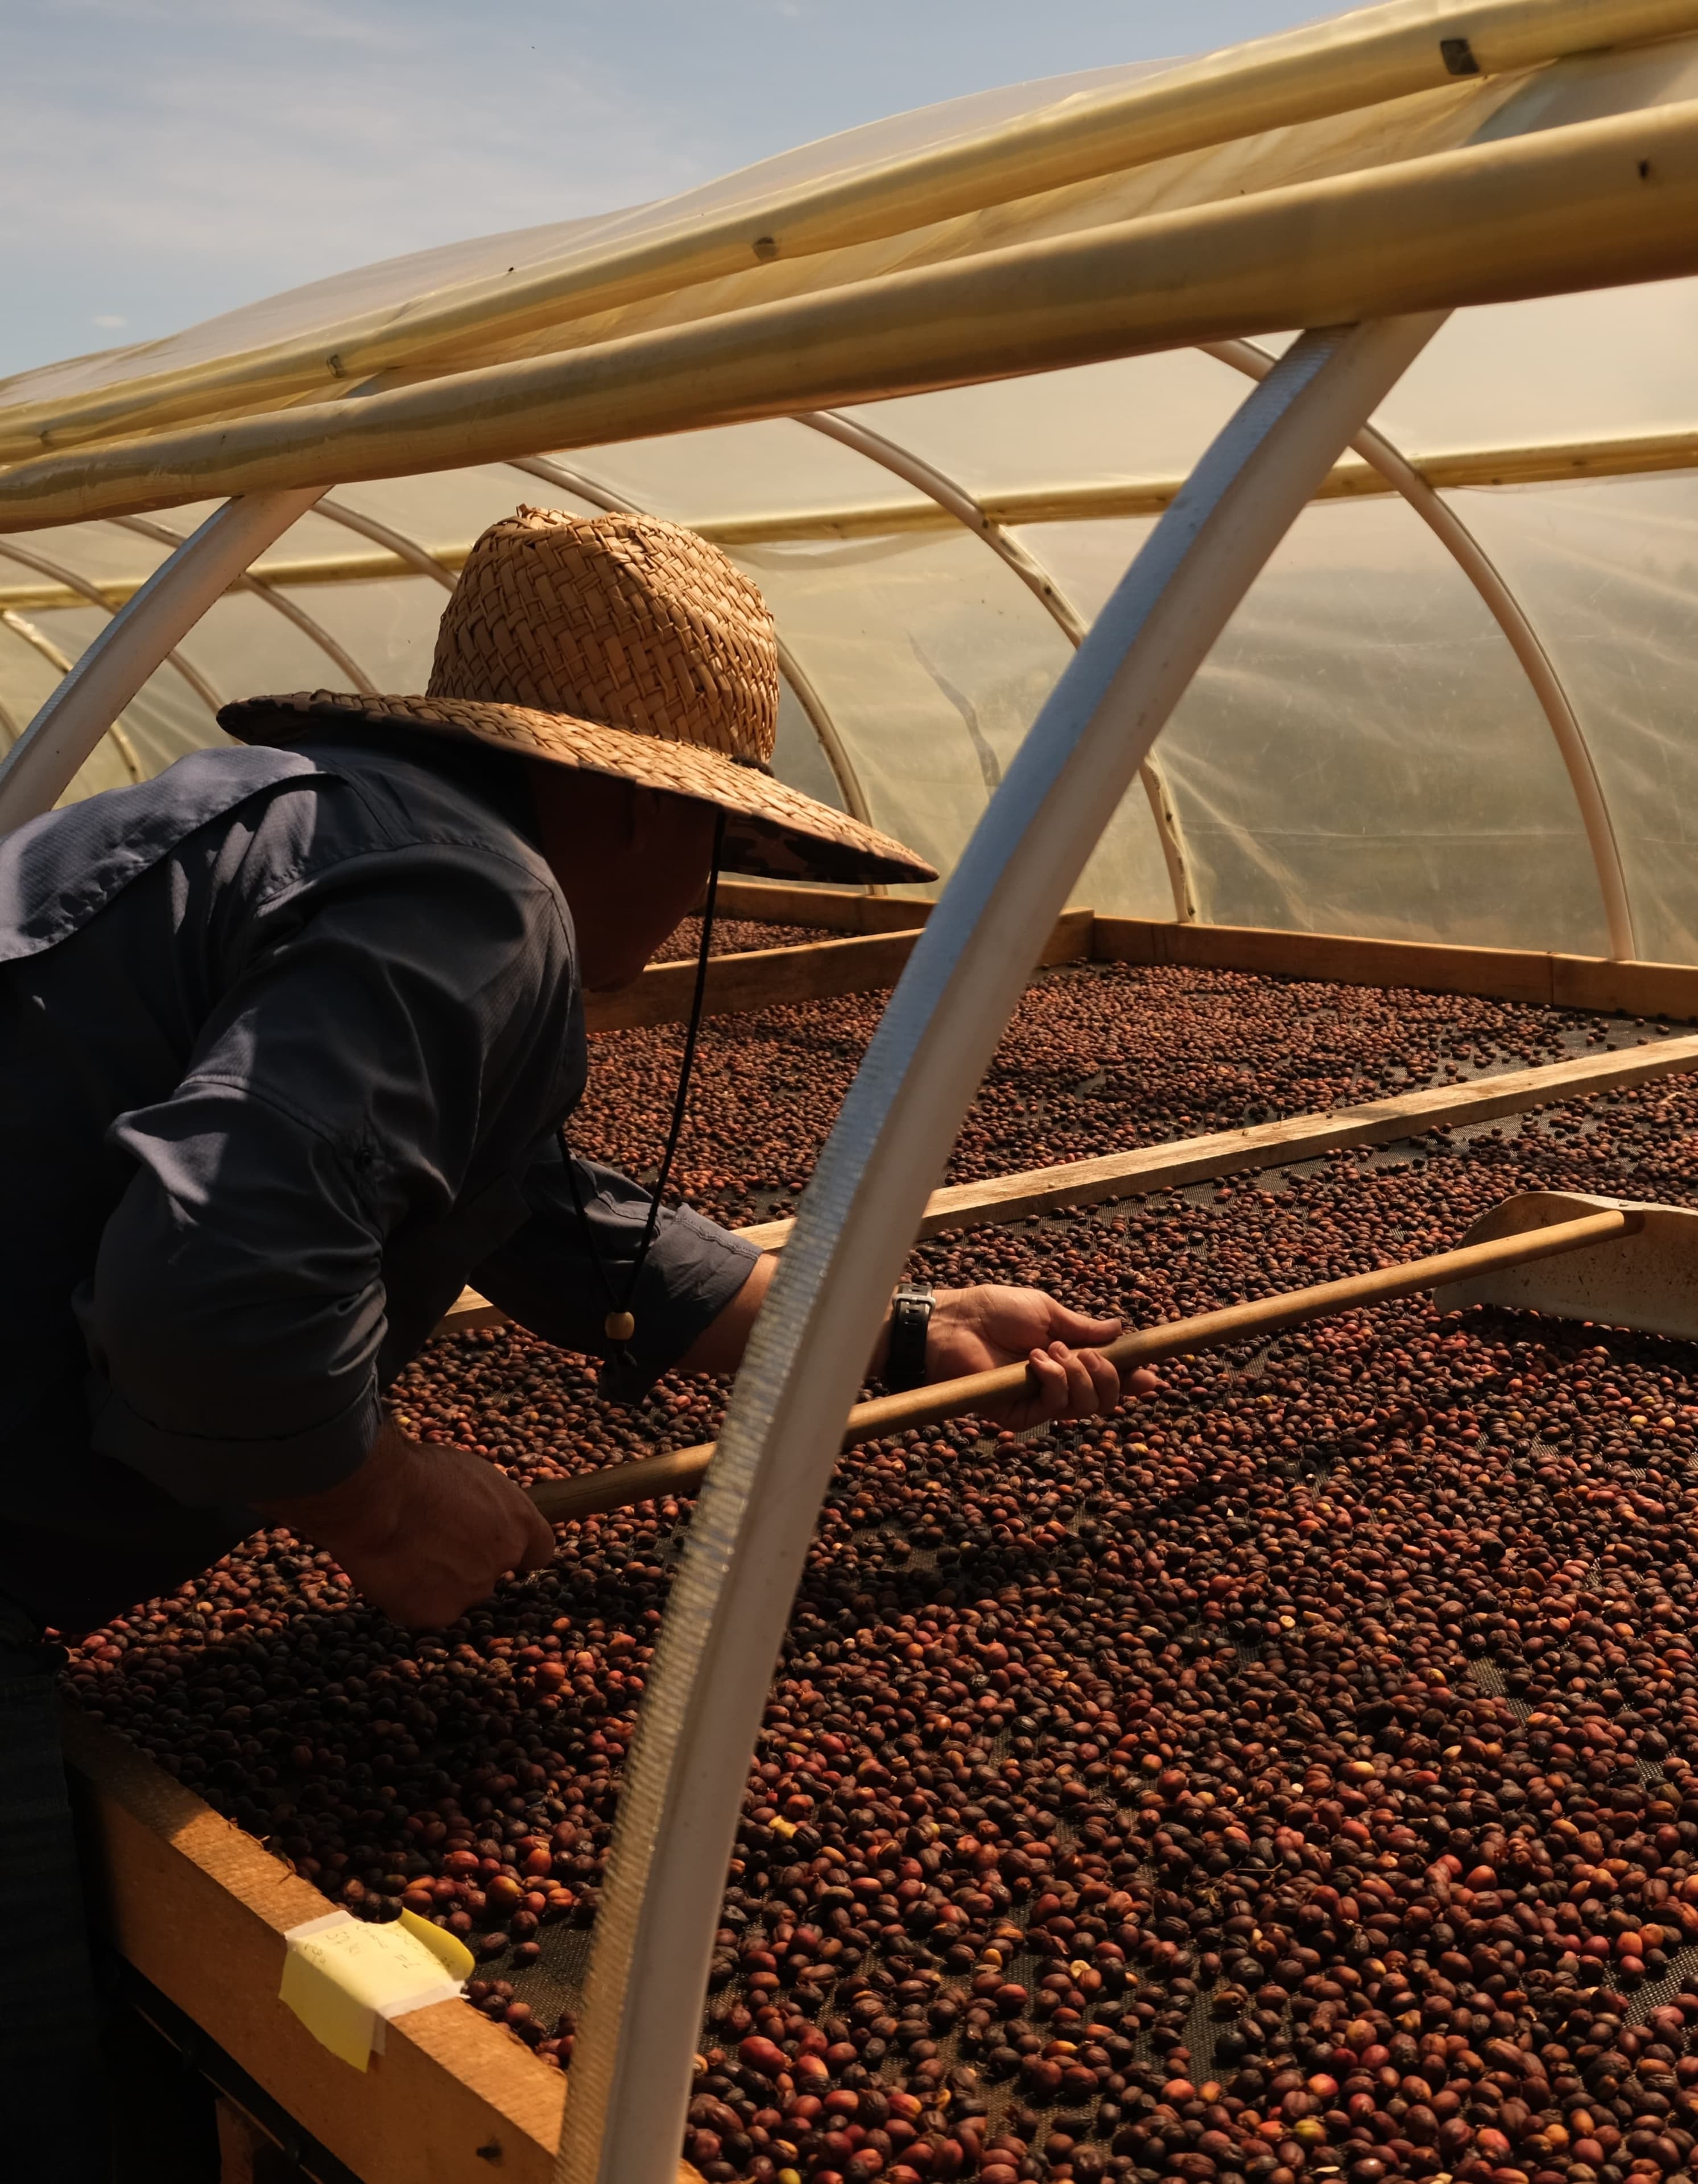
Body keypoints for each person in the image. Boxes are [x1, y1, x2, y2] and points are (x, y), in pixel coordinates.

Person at [0, 505, 1149, 2175]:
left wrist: (905, 1337)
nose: (700, 894)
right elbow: (215, 1288)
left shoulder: (309, 831)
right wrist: (380, 1501)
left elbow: (533, 1208)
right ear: (629, 802)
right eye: (710, 837)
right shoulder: (472, 897)